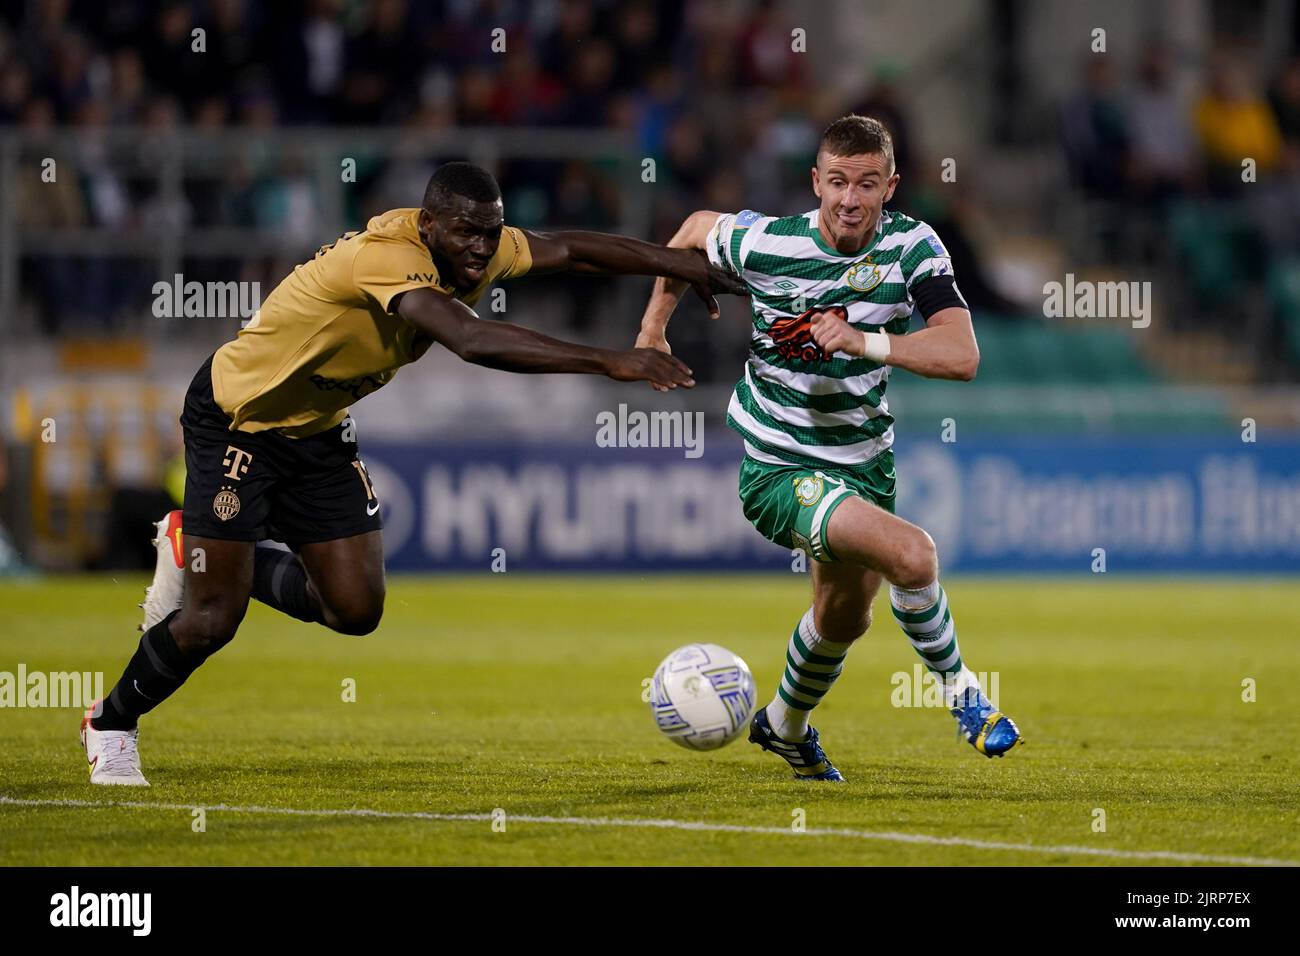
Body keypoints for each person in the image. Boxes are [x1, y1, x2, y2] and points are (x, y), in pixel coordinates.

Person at [81, 161, 746, 786]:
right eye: (466, 232)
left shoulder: (478, 245)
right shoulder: (387, 256)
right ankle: (111, 724)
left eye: (491, 233)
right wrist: (610, 361)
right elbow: (472, 339)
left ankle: (202, 547)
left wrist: (681, 265)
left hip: (316, 427)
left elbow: (575, 249)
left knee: (355, 609)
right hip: (240, 420)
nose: (482, 249)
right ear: (430, 226)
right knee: (210, 617)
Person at [635, 115, 1022, 781]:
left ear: (890, 187)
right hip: (779, 466)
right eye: (837, 181)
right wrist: (651, 330)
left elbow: (961, 354)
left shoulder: (913, 249)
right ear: (816, 181)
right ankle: (965, 696)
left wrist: (864, 341)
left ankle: (783, 725)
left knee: (844, 617)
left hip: (864, 461)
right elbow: (697, 228)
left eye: (866, 184)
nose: (849, 198)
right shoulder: (769, 244)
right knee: (913, 553)